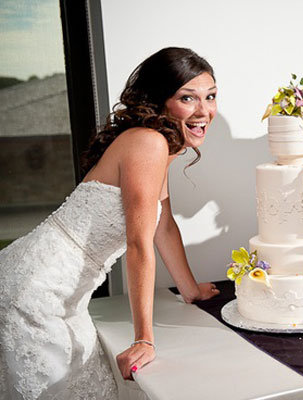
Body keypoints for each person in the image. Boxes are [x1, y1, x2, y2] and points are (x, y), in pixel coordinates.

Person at [0, 47, 220, 399]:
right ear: (160, 100)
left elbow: (163, 225)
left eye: (210, 96)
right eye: (187, 98)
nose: (204, 111)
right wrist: (144, 339)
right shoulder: (148, 143)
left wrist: (190, 289)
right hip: (36, 290)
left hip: (60, 292)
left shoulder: (158, 143)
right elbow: (139, 243)